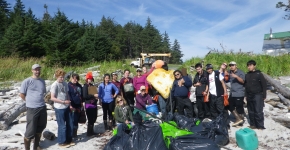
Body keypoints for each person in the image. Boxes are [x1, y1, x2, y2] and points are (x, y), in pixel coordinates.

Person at [20, 64, 47, 150]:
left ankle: (36, 146)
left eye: (38, 70)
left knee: (41, 126)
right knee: (30, 129)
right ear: (32, 70)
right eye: (35, 70)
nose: (37, 71)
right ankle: (27, 148)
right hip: (32, 108)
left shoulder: (42, 81)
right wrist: (28, 102)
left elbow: (43, 93)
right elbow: (22, 94)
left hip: (42, 106)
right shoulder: (27, 81)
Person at [50, 69, 73, 148]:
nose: (62, 79)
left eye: (63, 77)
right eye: (60, 77)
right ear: (56, 77)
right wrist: (63, 102)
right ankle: (61, 141)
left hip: (66, 106)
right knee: (62, 125)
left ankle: (69, 139)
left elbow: (67, 94)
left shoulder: (65, 84)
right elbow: (52, 98)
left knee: (70, 124)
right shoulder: (54, 85)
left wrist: (69, 104)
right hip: (59, 107)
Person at [244, 60, 267, 130]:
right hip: (249, 95)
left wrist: (264, 95)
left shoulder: (259, 74)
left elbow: (264, 85)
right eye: (248, 66)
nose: (249, 67)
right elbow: (246, 85)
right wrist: (245, 95)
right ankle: (253, 124)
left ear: (254, 66)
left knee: (258, 110)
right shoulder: (247, 75)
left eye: (250, 65)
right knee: (250, 111)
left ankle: (260, 126)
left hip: (258, 95)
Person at [228, 61, 246, 127]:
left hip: (239, 92)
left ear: (236, 66)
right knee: (229, 105)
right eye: (230, 65)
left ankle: (241, 122)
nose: (231, 67)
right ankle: (238, 118)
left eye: (233, 65)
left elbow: (243, 81)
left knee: (239, 107)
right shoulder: (230, 72)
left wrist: (236, 77)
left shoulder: (240, 72)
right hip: (232, 93)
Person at [82, 71, 99, 136]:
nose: (90, 80)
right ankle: (89, 132)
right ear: (87, 79)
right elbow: (85, 96)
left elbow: (95, 95)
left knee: (94, 117)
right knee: (90, 118)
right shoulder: (85, 86)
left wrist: (96, 98)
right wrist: (93, 96)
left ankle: (91, 131)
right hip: (88, 104)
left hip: (94, 103)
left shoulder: (92, 86)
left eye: (91, 79)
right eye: (89, 79)